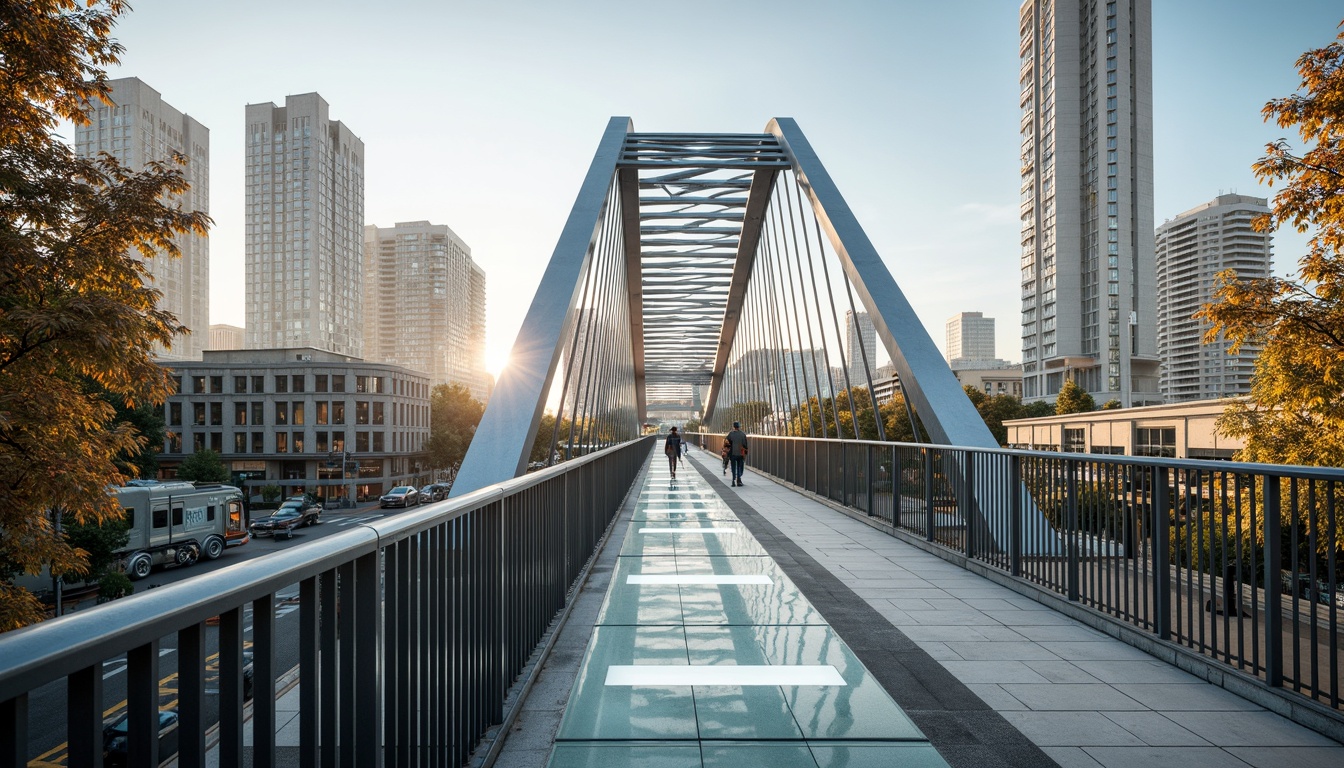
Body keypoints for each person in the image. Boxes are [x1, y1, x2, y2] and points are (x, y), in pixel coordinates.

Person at [726, 421, 749, 487]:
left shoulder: (731, 434)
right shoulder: (742, 434)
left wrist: (728, 451)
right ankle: (739, 479)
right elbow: (745, 445)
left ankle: (733, 480)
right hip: (740, 453)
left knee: (733, 467)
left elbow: (727, 443)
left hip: (733, 453)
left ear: (733, 427)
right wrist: (745, 452)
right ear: (739, 426)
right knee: (740, 466)